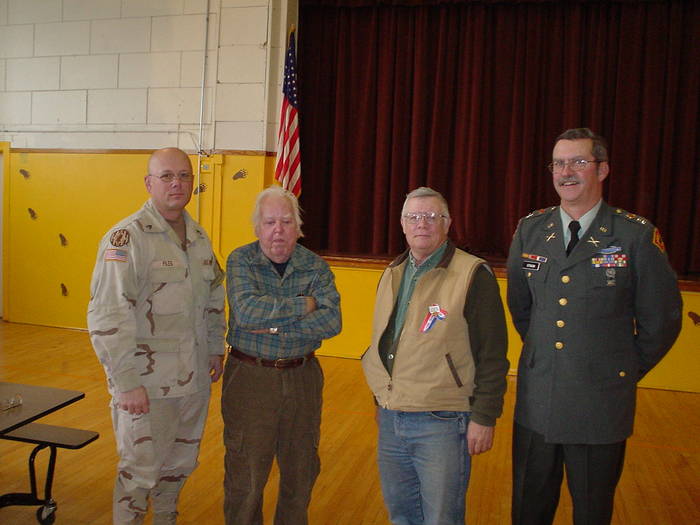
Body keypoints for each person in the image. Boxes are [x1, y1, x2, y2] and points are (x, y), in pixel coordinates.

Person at [507, 128, 683, 525]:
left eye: (578, 162)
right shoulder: (530, 230)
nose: (566, 172)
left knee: (591, 511)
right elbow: (521, 307)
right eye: (558, 163)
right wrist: (545, 354)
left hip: (599, 404)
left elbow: (662, 319)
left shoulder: (634, 235)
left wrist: (621, 370)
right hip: (539, 400)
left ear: (602, 170)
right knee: (528, 508)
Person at [87, 148, 226, 525]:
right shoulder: (127, 238)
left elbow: (215, 294)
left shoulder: (198, 236)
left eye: (184, 176)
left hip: (192, 382)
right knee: (139, 474)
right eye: (166, 176)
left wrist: (215, 347)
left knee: (178, 468)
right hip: (147, 387)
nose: (176, 184)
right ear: (149, 183)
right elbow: (107, 314)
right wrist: (126, 383)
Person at [362, 187, 510, 525]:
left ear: (447, 223)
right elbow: (386, 342)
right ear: (402, 224)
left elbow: (493, 354)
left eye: (431, 216)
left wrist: (484, 417)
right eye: (413, 217)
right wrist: (380, 399)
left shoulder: (473, 274)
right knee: (401, 515)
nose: (422, 224)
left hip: (442, 420)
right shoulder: (393, 271)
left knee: (442, 517)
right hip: (392, 417)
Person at [222, 186, 341, 525]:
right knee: (246, 475)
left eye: (286, 222)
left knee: (302, 470)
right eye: (270, 222)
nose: (278, 230)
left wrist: (274, 327)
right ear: (257, 227)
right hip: (250, 379)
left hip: (303, 378)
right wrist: (304, 305)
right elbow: (247, 313)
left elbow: (332, 322)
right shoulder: (240, 261)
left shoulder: (314, 266)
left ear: (298, 227)